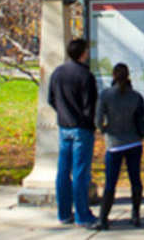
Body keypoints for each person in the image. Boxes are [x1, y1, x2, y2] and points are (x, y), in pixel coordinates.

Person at [93, 63, 144, 230]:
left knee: (111, 182)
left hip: (114, 143)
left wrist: (104, 130)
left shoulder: (105, 95)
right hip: (134, 142)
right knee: (135, 180)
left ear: (113, 76)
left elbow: (98, 120)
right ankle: (136, 214)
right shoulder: (136, 96)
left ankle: (103, 218)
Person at [47, 38, 98, 228]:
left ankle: (64, 213)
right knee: (80, 173)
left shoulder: (58, 73)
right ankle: (82, 215)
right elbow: (90, 105)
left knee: (63, 172)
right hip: (81, 129)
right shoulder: (86, 75)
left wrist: (62, 113)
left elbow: (51, 98)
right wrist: (90, 123)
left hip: (64, 127)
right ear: (83, 53)